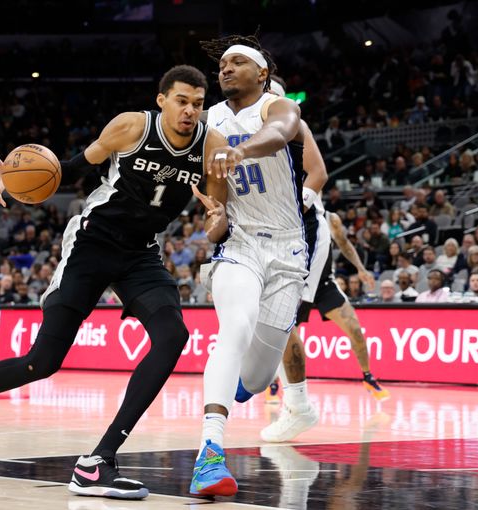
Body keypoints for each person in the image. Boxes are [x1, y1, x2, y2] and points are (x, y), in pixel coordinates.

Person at [0, 65, 228, 500]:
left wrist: (218, 218)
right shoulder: (131, 127)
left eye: (199, 104)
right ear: (162, 100)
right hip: (92, 244)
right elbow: (69, 169)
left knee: (172, 336)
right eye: (182, 101)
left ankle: (99, 461)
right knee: (43, 361)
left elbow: (217, 218)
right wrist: (11, 181)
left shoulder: (213, 147)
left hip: (141, 253)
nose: (190, 111)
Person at [188, 34, 311, 497]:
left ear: (262, 73)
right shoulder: (210, 122)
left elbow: (280, 133)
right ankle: (210, 453)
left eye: (237, 62)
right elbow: (215, 201)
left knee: (258, 377)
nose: (225, 68)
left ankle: (241, 383)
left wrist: (242, 151)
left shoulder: (277, 107)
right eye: (222, 63)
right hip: (239, 244)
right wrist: (215, 218)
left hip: (287, 251)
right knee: (233, 331)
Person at [258, 210, 391, 444]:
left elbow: (345, 243)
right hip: (297, 283)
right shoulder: (289, 211)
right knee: (285, 337)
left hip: (325, 285)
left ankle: (368, 377)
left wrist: (360, 268)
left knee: (355, 330)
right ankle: (275, 384)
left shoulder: (330, 218)